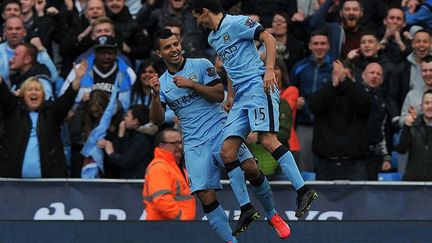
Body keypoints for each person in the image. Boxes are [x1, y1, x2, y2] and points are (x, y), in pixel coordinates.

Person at [149, 29, 290, 242]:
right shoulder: (162, 83)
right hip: (194, 142)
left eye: (175, 44)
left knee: (251, 167)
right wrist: (155, 95)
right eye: (167, 47)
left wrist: (192, 85)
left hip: (220, 129)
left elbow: (217, 96)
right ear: (159, 54)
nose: (174, 49)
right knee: (205, 195)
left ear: (181, 44)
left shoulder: (201, 64)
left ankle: (272, 215)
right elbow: (157, 120)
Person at [191, 0, 317, 219]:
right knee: (227, 151)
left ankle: (303, 190)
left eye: (197, 18)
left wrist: (269, 70)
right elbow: (230, 66)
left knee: (267, 140)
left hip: (259, 85)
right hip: (240, 95)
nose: (198, 23)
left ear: (204, 12)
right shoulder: (213, 37)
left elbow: (269, 38)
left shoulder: (237, 22)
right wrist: (230, 95)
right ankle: (247, 208)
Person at [0, 59, 87, 178]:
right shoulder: (13, 110)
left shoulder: (51, 112)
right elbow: (3, 92)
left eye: (37, 90)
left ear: (43, 95)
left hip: (48, 184)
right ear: (23, 95)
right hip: (13, 182)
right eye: (29, 90)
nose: (33, 92)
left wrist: (77, 79)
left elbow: (66, 100)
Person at [308, 60, 372, 180]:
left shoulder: (359, 94)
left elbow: (366, 106)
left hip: (355, 165)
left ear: (352, 78)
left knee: (359, 199)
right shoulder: (325, 94)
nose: (342, 80)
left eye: (346, 76)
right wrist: (333, 86)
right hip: (326, 165)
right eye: (338, 75)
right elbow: (313, 106)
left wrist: (345, 81)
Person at [290, 29, 333, 172]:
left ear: (328, 46)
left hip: (328, 125)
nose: (319, 47)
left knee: (326, 165)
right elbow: (291, 92)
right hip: (304, 125)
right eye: (316, 43)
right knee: (303, 166)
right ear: (310, 46)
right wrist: (296, 101)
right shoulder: (299, 67)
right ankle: (307, 195)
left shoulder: (335, 68)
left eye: (323, 43)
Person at [142, 128, 196, 220]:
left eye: (180, 142)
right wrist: (182, 219)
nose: (179, 146)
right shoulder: (159, 167)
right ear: (161, 145)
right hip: (165, 228)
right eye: (174, 143)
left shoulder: (175, 167)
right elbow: (162, 201)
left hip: (172, 226)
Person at [97, 104, 154, 179]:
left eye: (127, 116)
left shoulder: (143, 139)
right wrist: (120, 135)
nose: (124, 118)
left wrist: (110, 152)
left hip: (136, 182)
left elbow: (126, 162)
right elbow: (118, 154)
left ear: (135, 121)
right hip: (126, 179)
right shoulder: (130, 133)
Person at [359, 63, 393, 180]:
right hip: (354, 155)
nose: (375, 76)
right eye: (372, 73)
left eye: (378, 74)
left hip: (374, 155)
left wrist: (386, 157)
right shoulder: (354, 95)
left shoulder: (382, 102)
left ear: (382, 80)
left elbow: (384, 130)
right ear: (363, 75)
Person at [395, 89, 432, 181]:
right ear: (421, 106)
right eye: (427, 103)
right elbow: (401, 149)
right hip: (413, 182)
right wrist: (407, 127)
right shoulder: (412, 124)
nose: (430, 106)